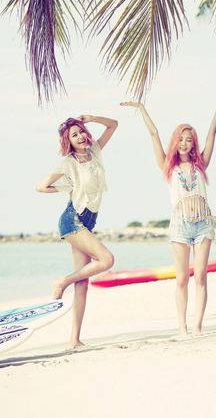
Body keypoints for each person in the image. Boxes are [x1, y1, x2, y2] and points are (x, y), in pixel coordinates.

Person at [122, 98, 216, 336]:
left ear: (193, 143)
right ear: (175, 142)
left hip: (204, 224)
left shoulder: (201, 164)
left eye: (189, 140)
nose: (185, 143)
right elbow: (154, 134)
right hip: (180, 226)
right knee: (182, 278)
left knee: (201, 276)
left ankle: (198, 326)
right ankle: (182, 327)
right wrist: (141, 108)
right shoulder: (168, 165)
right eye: (181, 139)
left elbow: (212, 133)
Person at [37, 114, 118, 348]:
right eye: (74, 135)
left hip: (88, 222)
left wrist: (91, 118)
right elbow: (41, 186)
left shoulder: (95, 151)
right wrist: (66, 187)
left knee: (82, 283)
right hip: (73, 221)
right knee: (107, 260)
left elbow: (113, 125)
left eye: (82, 131)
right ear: (68, 141)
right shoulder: (68, 163)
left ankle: (74, 339)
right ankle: (62, 282)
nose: (81, 136)